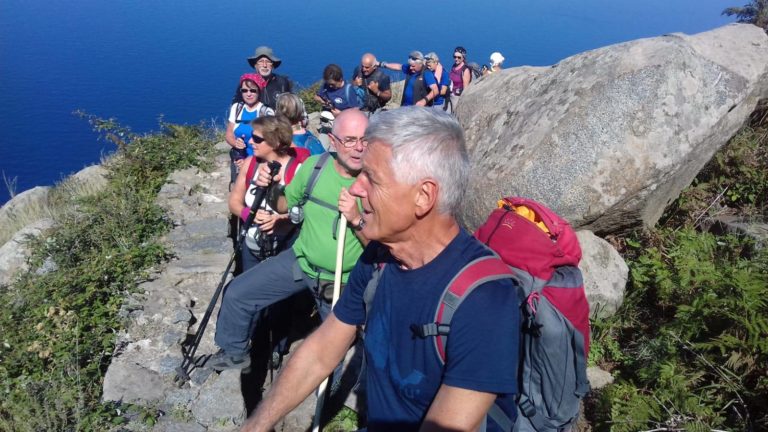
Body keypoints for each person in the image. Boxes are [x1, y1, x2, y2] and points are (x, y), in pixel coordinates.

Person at [241, 107, 520, 432]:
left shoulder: (485, 299)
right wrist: (255, 426)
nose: (355, 189)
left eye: (371, 178)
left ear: (423, 196)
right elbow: (320, 352)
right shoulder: (380, 258)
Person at [208, 109, 370, 372]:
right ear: (333, 140)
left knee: (335, 356)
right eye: (350, 140)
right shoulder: (315, 167)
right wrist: (271, 186)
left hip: (342, 281)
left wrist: (356, 219)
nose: (359, 148)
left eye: (365, 139)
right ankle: (235, 353)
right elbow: (283, 204)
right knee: (238, 293)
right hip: (300, 262)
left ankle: (332, 390)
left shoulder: (377, 182)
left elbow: (381, 246)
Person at [225, 73, 275, 185]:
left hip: (259, 163)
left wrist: (248, 163)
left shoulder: (266, 112)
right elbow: (229, 134)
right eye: (244, 90)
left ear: (259, 91)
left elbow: (270, 143)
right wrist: (235, 143)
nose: (248, 94)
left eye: (253, 90)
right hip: (239, 161)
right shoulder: (236, 108)